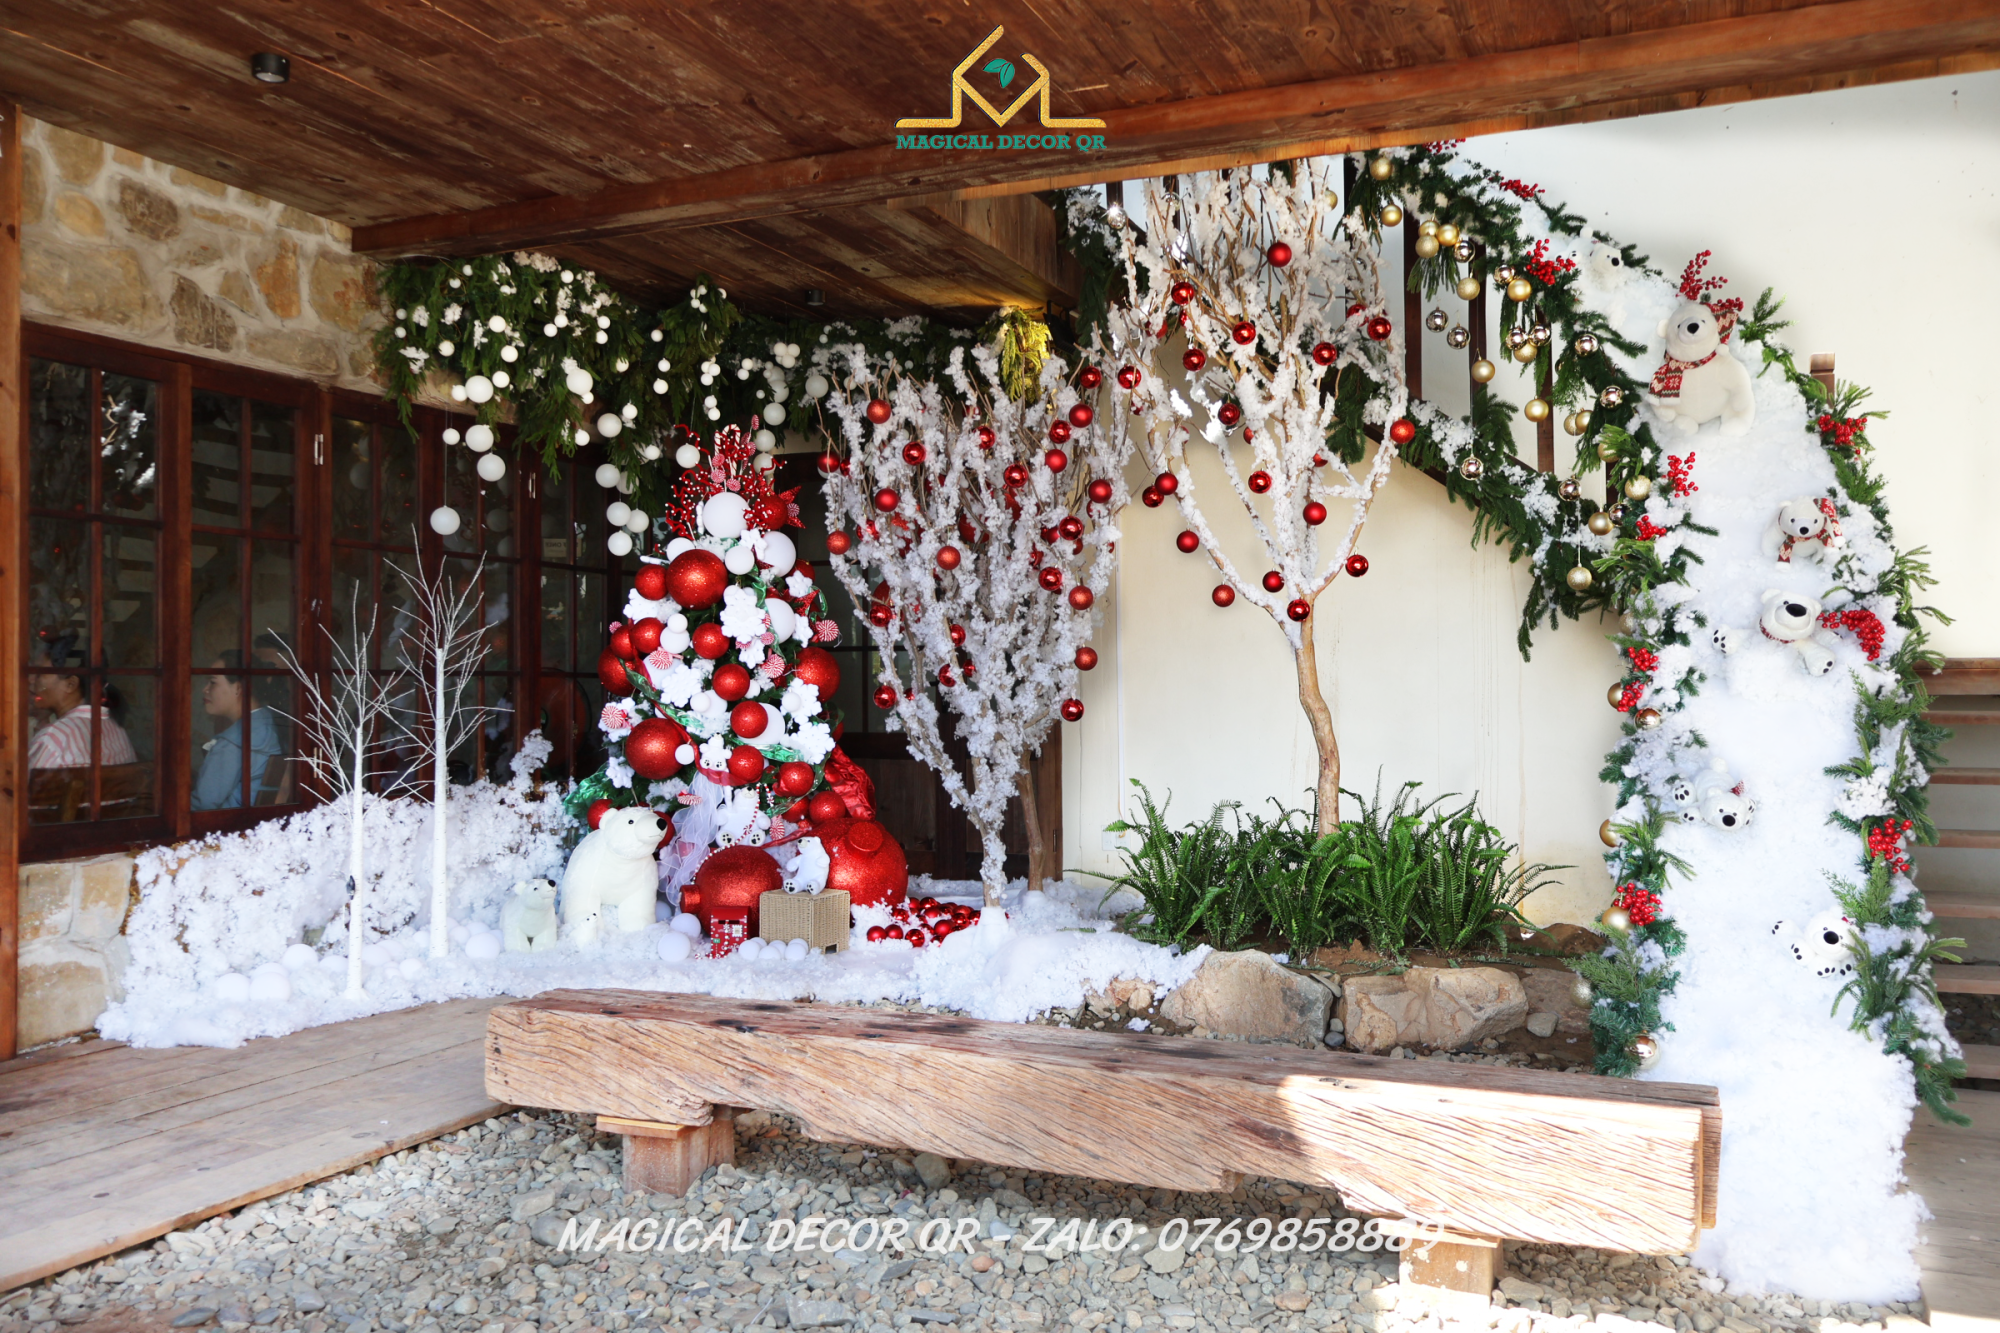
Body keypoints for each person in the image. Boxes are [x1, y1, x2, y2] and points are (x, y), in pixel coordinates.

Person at [192, 651, 285, 810]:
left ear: (237, 688)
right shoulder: (270, 722)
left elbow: (202, 805)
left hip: (231, 823)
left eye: (212, 682)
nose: (204, 689)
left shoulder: (232, 744)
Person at [27, 641, 137, 769]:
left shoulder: (53, 739)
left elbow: (24, 781)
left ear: (71, 684)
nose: (30, 679)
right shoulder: (116, 729)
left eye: (40, 674)